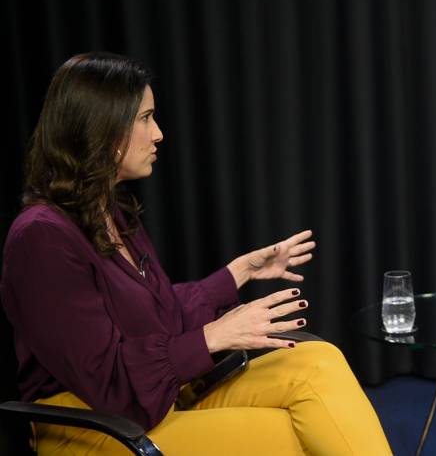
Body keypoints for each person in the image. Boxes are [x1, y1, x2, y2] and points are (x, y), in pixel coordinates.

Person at [1, 53, 392, 455]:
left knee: (318, 362)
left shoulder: (110, 212)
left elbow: (161, 315)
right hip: (94, 428)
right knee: (288, 434)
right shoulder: (42, 239)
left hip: (154, 399)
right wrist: (211, 336)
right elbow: (107, 381)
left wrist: (237, 272)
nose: (159, 134)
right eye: (145, 118)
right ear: (102, 126)